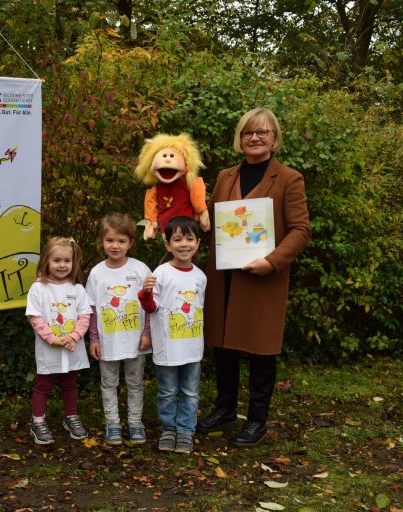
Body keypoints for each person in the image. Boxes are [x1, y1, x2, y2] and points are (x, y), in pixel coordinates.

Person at [197, 107, 310, 447]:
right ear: (240, 138)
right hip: (224, 276)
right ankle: (226, 408)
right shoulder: (225, 176)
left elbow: (301, 229)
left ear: (274, 139)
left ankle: (257, 419)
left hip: (262, 278)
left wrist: (273, 261)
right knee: (223, 346)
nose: (255, 138)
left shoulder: (289, 178)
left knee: (261, 350)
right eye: (248, 132)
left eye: (262, 132)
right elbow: (212, 222)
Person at [139, 216, 207, 454]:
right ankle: (168, 429)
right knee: (167, 391)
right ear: (168, 244)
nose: (184, 244)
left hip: (192, 347)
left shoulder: (200, 276)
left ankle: (186, 431)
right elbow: (151, 308)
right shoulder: (161, 273)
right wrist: (145, 294)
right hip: (167, 347)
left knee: (190, 391)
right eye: (178, 239)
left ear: (198, 243)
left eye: (189, 238)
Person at [85, 213, 152, 446]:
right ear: (102, 242)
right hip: (107, 341)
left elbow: (149, 304)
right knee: (108, 383)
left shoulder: (141, 269)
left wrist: (147, 333)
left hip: (135, 341)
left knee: (135, 382)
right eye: (110, 240)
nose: (115, 246)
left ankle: (135, 423)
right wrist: (93, 337)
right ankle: (112, 424)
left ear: (131, 243)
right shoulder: (96, 273)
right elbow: (91, 308)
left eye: (121, 241)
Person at [26, 237, 92, 445]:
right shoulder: (38, 289)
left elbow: (85, 316)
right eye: (57, 260)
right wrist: (52, 339)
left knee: (70, 383)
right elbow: (34, 317)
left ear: (74, 262)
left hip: (72, 346)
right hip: (49, 348)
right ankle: (38, 421)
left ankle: (71, 417)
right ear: (46, 260)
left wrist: (73, 337)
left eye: (67, 261)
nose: (62, 265)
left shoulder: (77, 289)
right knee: (43, 384)